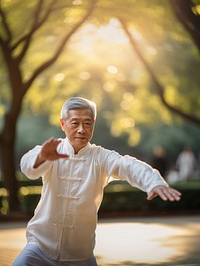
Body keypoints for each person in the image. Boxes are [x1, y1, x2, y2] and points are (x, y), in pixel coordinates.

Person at [13, 97, 181, 266]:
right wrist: (42, 157)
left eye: (87, 123)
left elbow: (128, 165)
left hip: (80, 255)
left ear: (93, 124)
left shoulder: (101, 157)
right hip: (40, 248)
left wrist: (154, 182)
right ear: (63, 124)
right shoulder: (51, 151)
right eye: (74, 123)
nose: (81, 130)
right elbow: (28, 167)